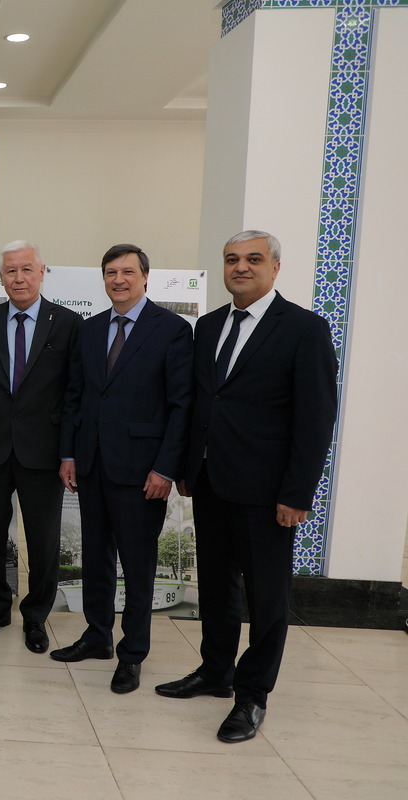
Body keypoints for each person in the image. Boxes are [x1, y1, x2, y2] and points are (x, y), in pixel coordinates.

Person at [155, 231, 337, 743]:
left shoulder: (304, 329)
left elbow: (316, 420)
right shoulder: (210, 326)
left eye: (253, 259)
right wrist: (190, 467)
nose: (241, 268)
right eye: (232, 260)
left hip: (267, 491)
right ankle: (216, 671)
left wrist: (297, 494)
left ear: (275, 267)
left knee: (266, 597)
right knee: (215, 586)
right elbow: (201, 405)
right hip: (212, 483)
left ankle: (252, 695)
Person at [55, 243, 192, 694]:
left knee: (137, 566)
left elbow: (180, 406)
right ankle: (97, 637)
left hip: (141, 473)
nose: (119, 280)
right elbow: (75, 395)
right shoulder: (90, 330)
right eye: (111, 272)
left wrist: (165, 469)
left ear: (146, 277)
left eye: (127, 272)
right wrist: (69, 454)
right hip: (91, 466)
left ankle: (132, 654)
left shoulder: (171, 329)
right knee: (95, 560)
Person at [0, 241, 82, 653]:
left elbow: (76, 394)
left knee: (42, 538)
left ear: (41, 272)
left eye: (25, 270)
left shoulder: (68, 323)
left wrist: (70, 452)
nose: (18, 278)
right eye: (10, 271)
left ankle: (36, 616)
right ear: (1, 277)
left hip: (45, 451)